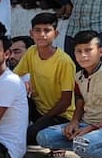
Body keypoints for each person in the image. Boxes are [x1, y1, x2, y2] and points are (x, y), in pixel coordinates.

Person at [36, 30, 102, 158]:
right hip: (85, 126)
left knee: (82, 143)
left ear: (100, 51)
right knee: (44, 137)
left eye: (88, 50)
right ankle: (85, 153)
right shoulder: (79, 76)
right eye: (79, 51)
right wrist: (74, 122)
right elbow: (80, 105)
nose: (83, 55)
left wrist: (93, 128)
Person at [13, 12, 75, 147]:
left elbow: (66, 101)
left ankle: (59, 143)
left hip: (60, 115)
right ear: (31, 33)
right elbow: (13, 77)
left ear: (56, 34)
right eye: (38, 30)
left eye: (47, 30)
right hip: (38, 109)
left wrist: (42, 121)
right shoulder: (31, 51)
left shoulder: (64, 62)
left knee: (31, 136)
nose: (42, 34)